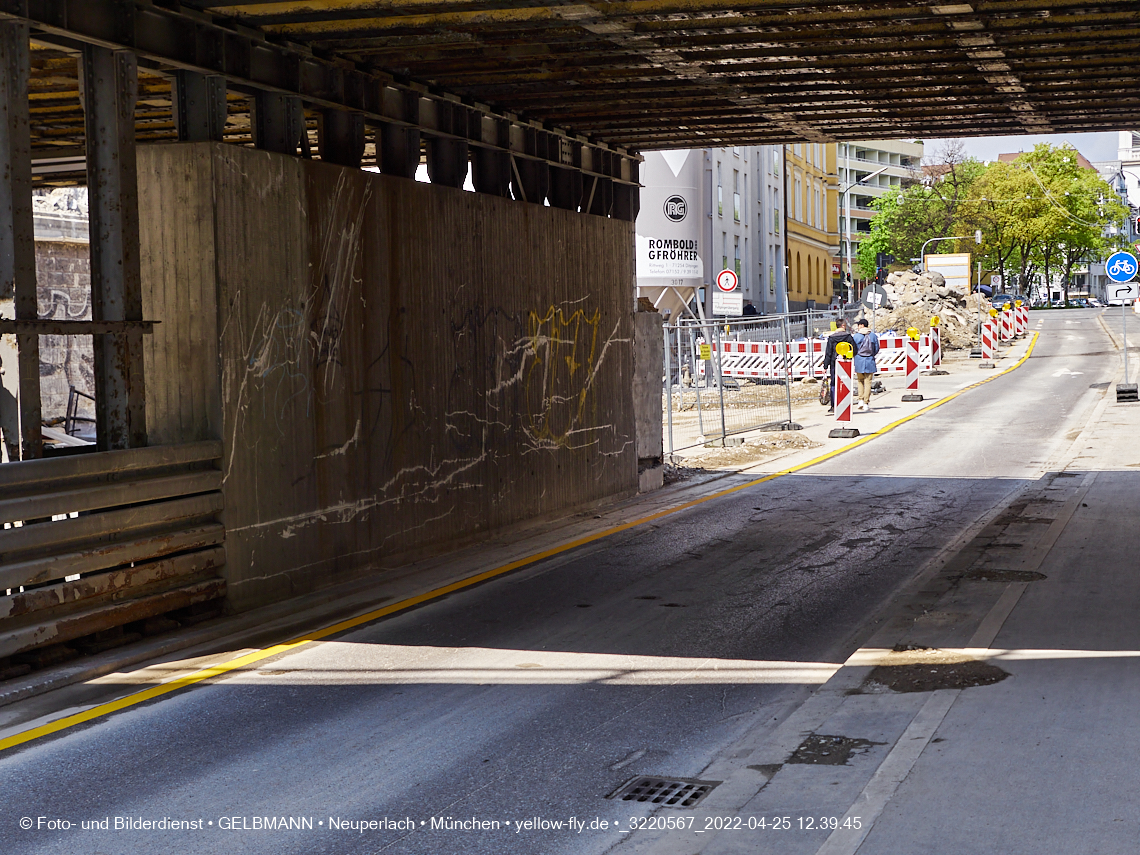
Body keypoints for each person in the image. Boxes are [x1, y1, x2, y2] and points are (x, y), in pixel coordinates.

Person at [821, 318, 855, 413]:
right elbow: (854, 349)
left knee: (833, 384)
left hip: (834, 364)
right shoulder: (848, 337)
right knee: (846, 383)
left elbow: (828, 353)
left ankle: (833, 405)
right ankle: (845, 405)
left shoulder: (831, 338)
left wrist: (825, 366)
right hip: (846, 364)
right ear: (843, 326)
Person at [852, 318, 880, 412]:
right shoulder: (873, 336)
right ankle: (866, 403)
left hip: (859, 360)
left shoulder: (856, 336)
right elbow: (876, 349)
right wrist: (871, 355)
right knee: (868, 382)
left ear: (862, 325)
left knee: (860, 381)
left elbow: (853, 348)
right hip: (869, 360)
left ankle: (860, 400)